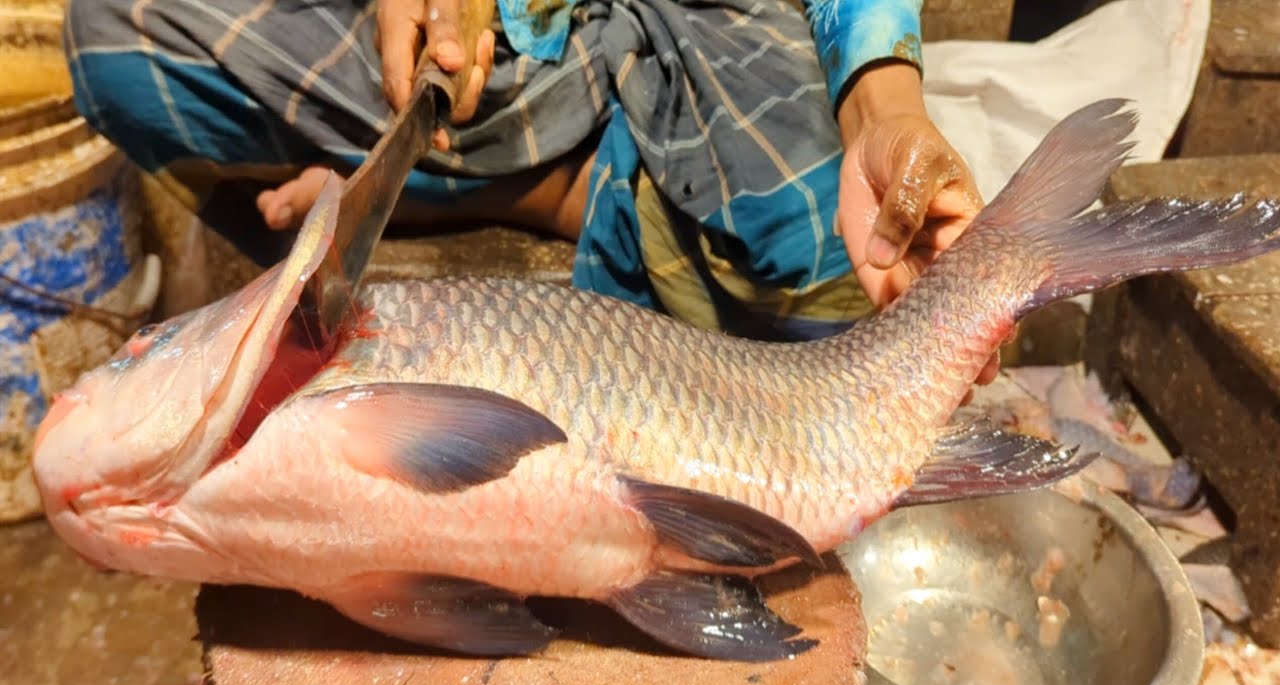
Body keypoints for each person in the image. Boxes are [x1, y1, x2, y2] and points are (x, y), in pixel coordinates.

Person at [62, 0, 998, 384]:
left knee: (838, 250)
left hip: (715, 17)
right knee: (112, 38)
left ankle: (544, 188)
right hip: (512, 40)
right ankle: (577, 171)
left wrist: (880, 104)